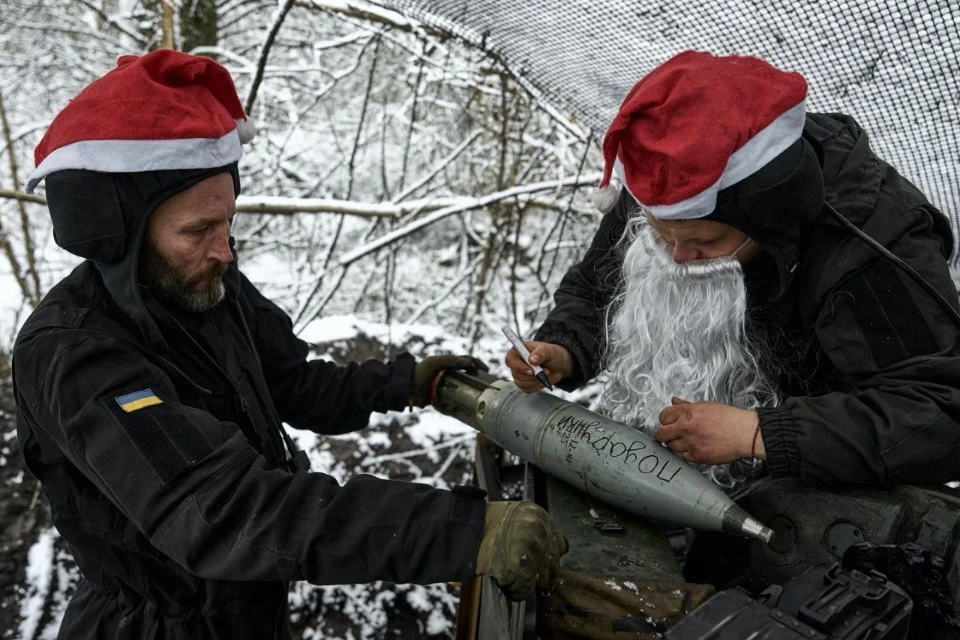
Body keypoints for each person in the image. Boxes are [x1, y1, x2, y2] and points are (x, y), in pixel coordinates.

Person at [14, 50, 566, 639]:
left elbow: (294, 385)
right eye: (199, 230)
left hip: (247, 612)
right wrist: (465, 532)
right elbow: (222, 512)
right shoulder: (75, 357)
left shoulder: (202, 282)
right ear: (119, 234)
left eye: (228, 221)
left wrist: (408, 382)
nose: (225, 249)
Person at [506, 50, 960, 489]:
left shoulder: (870, 248)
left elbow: (939, 412)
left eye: (704, 243)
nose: (677, 257)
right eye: (660, 235)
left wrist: (759, 434)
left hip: (820, 482)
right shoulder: (666, 191)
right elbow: (596, 289)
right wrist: (565, 348)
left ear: (770, 219)